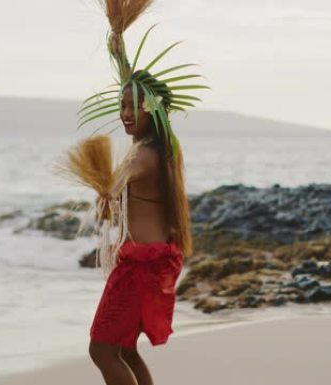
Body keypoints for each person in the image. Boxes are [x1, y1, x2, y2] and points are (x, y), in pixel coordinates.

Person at [87, 71, 192, 385]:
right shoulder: (162, 149)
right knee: (125, 349)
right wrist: (119, 48)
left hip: (140, 267)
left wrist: (105, 190)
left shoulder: (143, 156)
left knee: (102, 351)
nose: (126, 113)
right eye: (122, 105)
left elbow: (114, 184)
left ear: (154, 109)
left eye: (134, 106)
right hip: (153, 260)